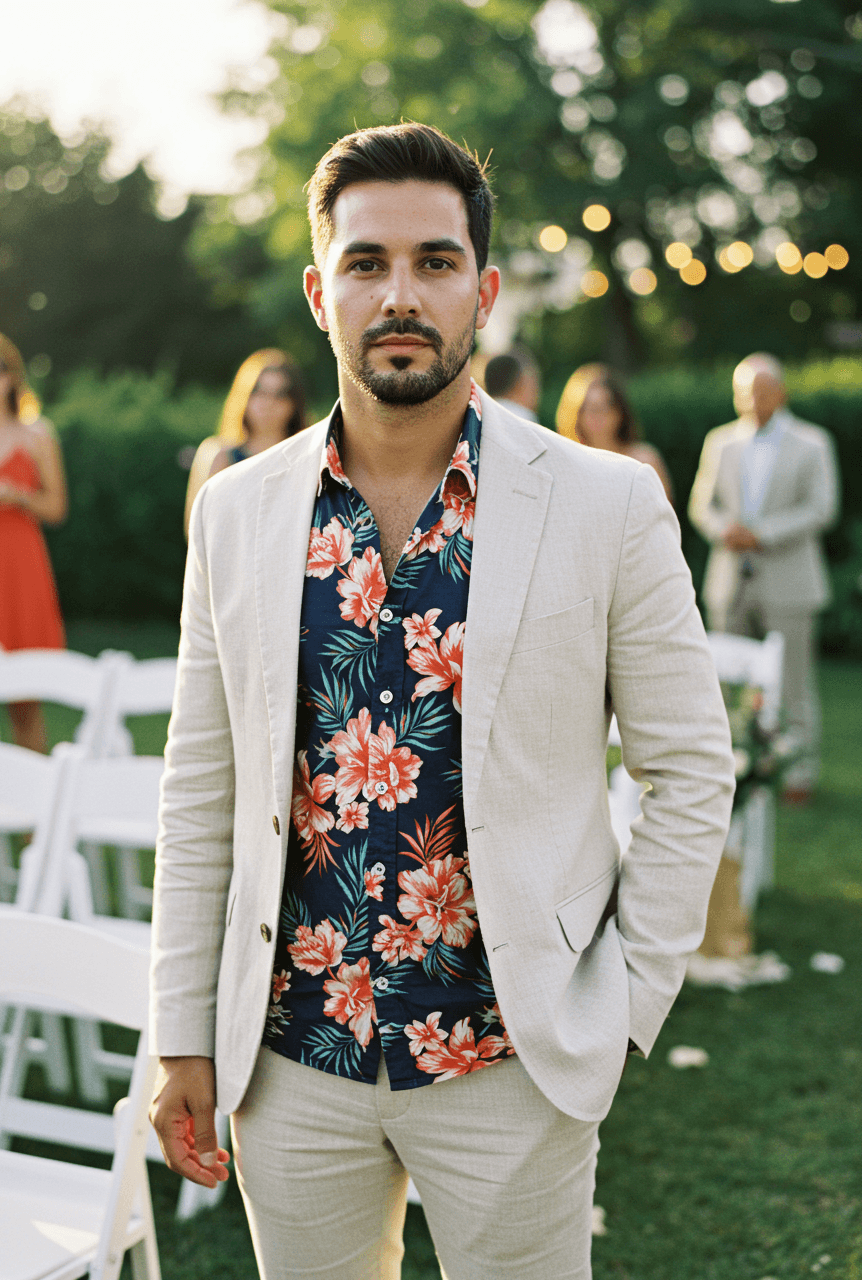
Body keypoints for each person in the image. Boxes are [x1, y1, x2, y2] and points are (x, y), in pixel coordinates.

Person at [150, 123, 734, 1280]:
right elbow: (200, 783)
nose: (399, 295)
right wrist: (180, 1031)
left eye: (434, 261)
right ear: (319, 293)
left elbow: (688, 765)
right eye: (366, 263)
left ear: (485, 290)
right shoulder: (235, 511)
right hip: (291, 1057)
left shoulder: (607, 504)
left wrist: (621, 1002)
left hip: (510, 1057)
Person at [688, 353, 839, 803]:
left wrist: (763, 534)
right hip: (730, 580)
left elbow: (821, 508)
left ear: (780, 392)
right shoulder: (720, 441)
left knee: (793, 681)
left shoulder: (812, 442)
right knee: (724, 679)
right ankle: (729, 769)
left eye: (760, 390)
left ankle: (798, 773)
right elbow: (701, 504)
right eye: (743, 392)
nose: (751, 400)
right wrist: (725, 531)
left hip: (790, 581)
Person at [0, 330, 67, 752]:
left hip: (18, 575)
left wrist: (15, 495)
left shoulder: (37, 435)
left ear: (10, 376)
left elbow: (56, 509)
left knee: (25, 703)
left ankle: (34, 794)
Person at [183, 349, 306, 536]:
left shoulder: (306, 457)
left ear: (295, 403)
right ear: (244, 395)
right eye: (259, 392)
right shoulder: (220, 456)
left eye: (280, 394)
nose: (268, 403)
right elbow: (197, 530)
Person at [556, 363, 674, 502]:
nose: (597, 417)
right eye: (587, 409)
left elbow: (663, 513)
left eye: (604, 407)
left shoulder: (644, 461)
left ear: (620, 411)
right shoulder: (567, 468)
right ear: (574, 415)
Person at [483, 348, 541, 421]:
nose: (537, 396)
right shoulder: (524, 417)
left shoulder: (478, 414)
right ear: (519, 384)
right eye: (533, 388)